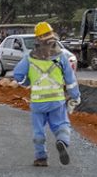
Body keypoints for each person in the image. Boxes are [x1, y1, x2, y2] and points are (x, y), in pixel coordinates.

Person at [13, 22, 81, 167]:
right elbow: (70, 79)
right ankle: (62, 141)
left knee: (38, 130)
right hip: (56, 100)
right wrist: (75, 96)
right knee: (62, 124)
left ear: (37, 38)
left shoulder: (29, 57)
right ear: (52, 35)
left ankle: (41, 157)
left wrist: (27, 82)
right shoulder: (61, 56)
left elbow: (18, 74)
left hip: (38, 103)